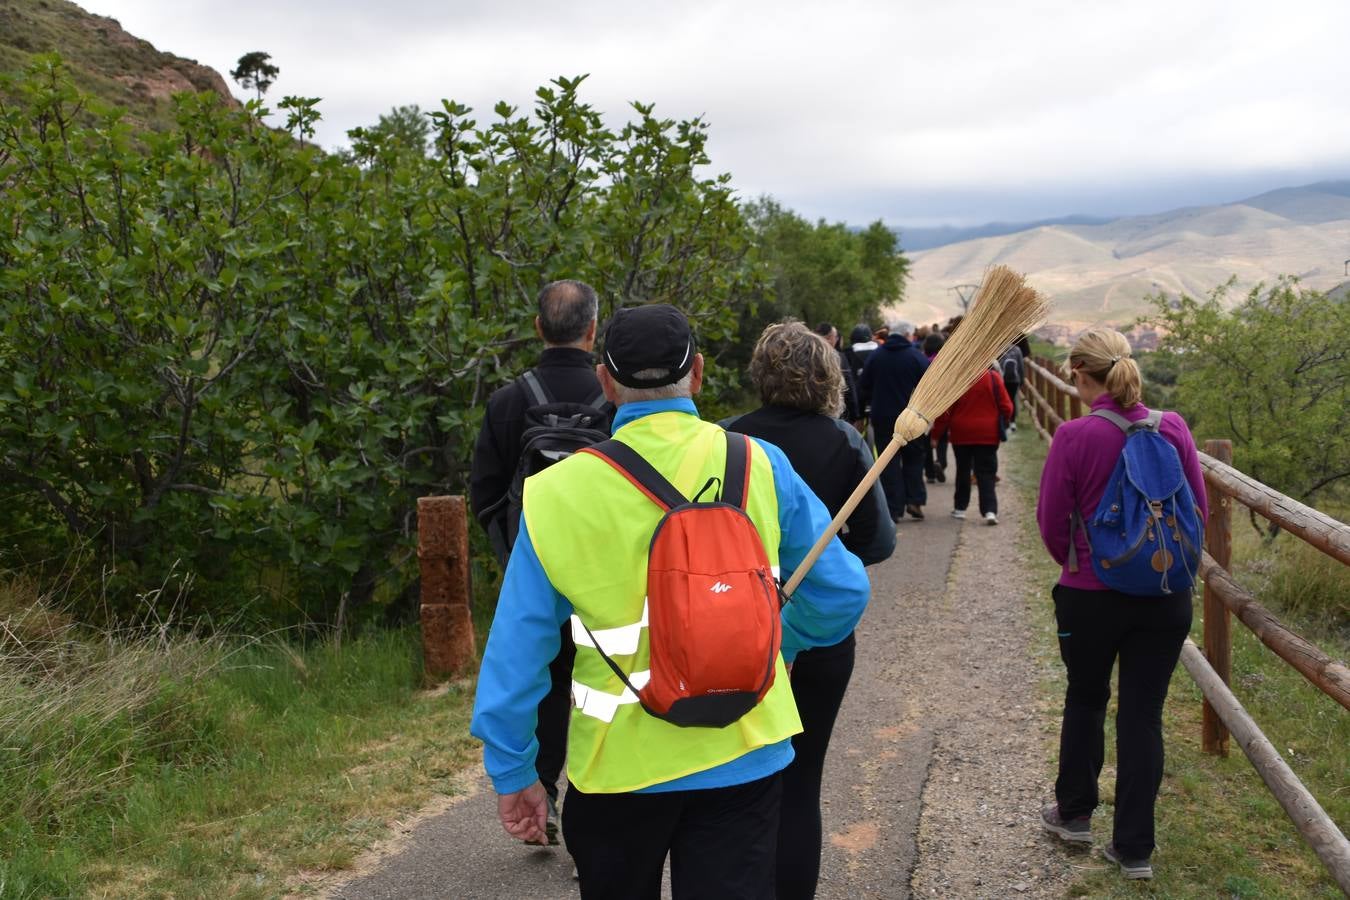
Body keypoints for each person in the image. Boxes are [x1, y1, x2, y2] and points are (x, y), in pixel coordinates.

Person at [470, 304, 872, 899]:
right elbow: (842, 591)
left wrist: (515, 770)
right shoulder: (759, 463)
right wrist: (777, 640)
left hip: (616, 768)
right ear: (701, 374)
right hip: (744, 748)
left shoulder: (556, 493)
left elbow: (518, 650)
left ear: (605, 381)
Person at [722, 322, 895, 900]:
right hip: (820, 637)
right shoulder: (845, 441)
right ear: (828, 376)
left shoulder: (727, 441)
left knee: (735, 784)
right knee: (800, 781)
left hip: (731, 637)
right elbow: (879, 542)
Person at [1035, 328, 1208, 881]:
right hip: (1164, 597)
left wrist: (1079, 566)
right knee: (1143, 716)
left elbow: (1050, 522)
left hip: (1091, 599)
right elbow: (1197, 509)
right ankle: (1134, 850)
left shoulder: (1074, 435)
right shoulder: (1173, 426)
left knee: (1085, 699)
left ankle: (1076, 814)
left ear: (1083, 376)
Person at [468, 278, 610, 844]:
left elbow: (485, 495)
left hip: (538, 574)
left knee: (544, 686)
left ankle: (539, 792)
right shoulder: (612, 402)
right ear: (593, 329)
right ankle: (594, 812)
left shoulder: (508, 401)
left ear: (538, 328)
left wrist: (515, 561)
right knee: (603, 690)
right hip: (605, 579)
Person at [858, 318, 929, 521]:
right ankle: (915, 500)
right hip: (912, 417)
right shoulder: (916, 357)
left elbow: (864, 384)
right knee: (914, 459)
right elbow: (928, 385)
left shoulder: (876, 356)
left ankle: (893, 507)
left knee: (888, 461)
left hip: (883, 417)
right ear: (908, 335)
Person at [932, 362, 1012, 525]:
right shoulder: (993, 378)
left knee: (963, 470)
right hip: (988, 433)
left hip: (961, 433)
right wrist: (1004, 421)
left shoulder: (956, 381)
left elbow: (945, 412)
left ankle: (960, 508)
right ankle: (989, 510)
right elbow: (1007, 407)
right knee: (987, 472)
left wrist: (935, 435)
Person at [813, 322, 862, 424]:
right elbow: (848, 387)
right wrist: (855, 414)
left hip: (810, 414)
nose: (837, 339)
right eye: (836, 337)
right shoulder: (838, 357)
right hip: (834, 414)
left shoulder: (806, 356)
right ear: (830, 338)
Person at [921, 331, 947, 484]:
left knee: (926, 439)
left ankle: (930, 472)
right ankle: (941, 462)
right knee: (942, 435)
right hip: (943, 402)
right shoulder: (945, 362)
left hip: (926, 405)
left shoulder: (923, 361)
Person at [999, 341, 1025, 428]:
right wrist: (1021, 380)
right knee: (1012, 400)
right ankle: (1012, 421)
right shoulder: (1017, 349)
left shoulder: (999, 349)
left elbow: (996, 365)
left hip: (1002, 379)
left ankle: (1004, 421)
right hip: (1014, 380)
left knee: (1002, 400)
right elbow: (1021, 366)